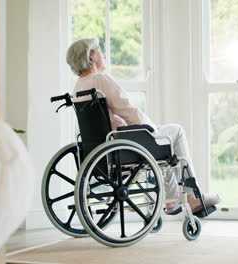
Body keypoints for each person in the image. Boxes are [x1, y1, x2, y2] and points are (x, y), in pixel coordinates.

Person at [67, 37, 221, 215]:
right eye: (100, 51)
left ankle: (172, 200)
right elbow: (128, 109)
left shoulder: (78, 86)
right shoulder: (100, 80)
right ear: (91, 57)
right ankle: (191, 198)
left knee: (166, 142)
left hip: (103, 145)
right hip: (123, 142)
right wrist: (152, 129)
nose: (104, 56)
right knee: (175, 132)